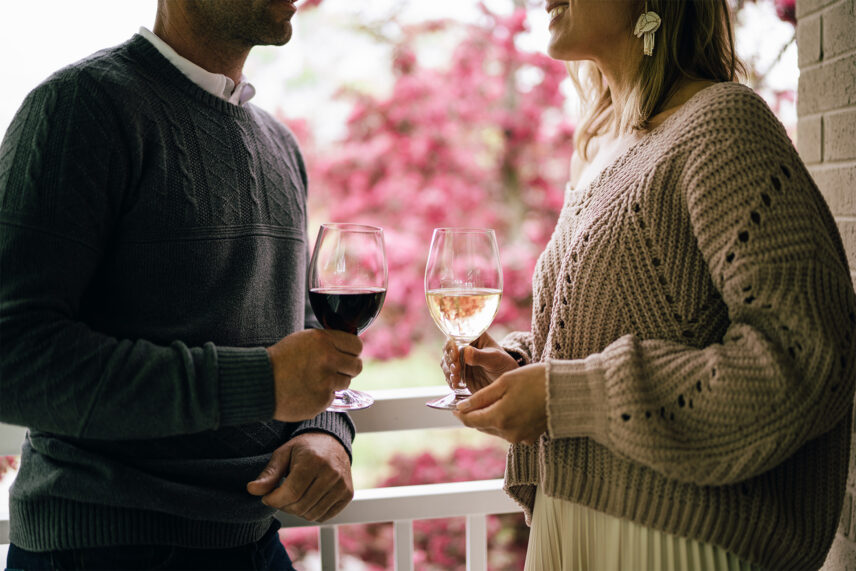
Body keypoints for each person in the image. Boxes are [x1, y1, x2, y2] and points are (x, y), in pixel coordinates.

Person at [444, 0, 856, 569]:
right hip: (575, 526)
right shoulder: (600, 152)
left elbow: (807, 356)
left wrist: (569, 396)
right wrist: (523, 368)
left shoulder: (722, 125)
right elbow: (612, 332)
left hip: (674, 542)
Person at [0, 1, 364, 569]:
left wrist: (327, 428)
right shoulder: (80, 107)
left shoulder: (280, 146)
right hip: (102, 548)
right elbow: (13, 358)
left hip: (253, 542)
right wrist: (259, 381)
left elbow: (308, 330)